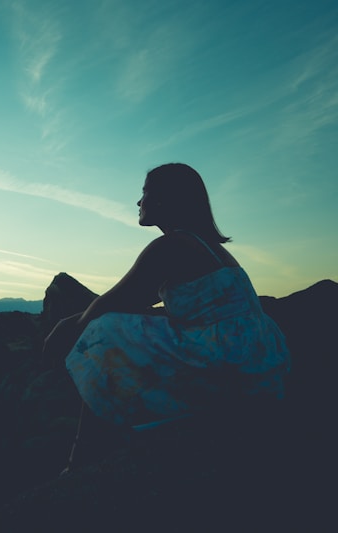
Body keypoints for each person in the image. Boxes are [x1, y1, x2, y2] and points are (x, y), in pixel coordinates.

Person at [44, 163, 290, 430]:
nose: (139, 202)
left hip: (226, 364)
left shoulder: (172, 246)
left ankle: (90, 443)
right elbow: (138, 299)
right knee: (117, 323)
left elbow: (114, 302)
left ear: (164, 198)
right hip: (259, 362)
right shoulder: (209, 247)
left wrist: (70, 327)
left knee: (102, 328)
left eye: (145, 192)